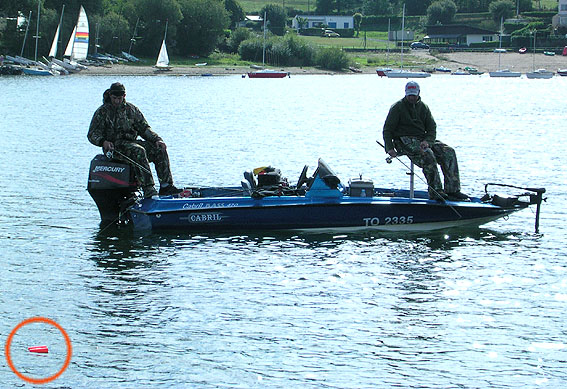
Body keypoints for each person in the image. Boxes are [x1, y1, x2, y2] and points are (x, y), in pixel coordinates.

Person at [88, 82, 182, 198]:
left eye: (119, 98)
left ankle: (166, 186)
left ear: (124, 96)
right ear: (110, 96)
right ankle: (148, 188)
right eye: (114, 98)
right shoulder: (102, 112)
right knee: (139, 151)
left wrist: (157, 139)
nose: (117, 101)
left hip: (131, 143)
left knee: (158, 149)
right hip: (114, 148)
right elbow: (92, 134)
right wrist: (103, 142)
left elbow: (144, 128)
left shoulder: (131, 110)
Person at [383, 81, 468, 202]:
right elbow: (387, 130)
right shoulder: (397, 107)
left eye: (414, 95)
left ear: (418, 94)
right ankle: (436, 191)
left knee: (449, 151)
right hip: (403, 140)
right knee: (427, 154)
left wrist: (428, 141)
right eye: (409, 95)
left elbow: (432, 127)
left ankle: (452, 190)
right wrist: (390, 147)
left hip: (421, 138)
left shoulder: (424, 107)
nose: (412, 97)